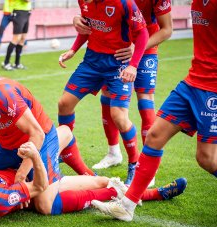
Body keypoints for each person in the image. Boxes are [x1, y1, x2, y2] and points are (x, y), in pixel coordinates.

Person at [91, 0, 217, 222]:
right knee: (155, 136)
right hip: (192, 82)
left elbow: (165, 28)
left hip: (213, 89)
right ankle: (127, 207)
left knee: (206, 159)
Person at [0, 125, 186, 218]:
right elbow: (38, 188)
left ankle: (78, 166)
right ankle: (153, 194)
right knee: (94, 188)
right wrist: (35, 158)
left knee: (64, 135)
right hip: (40, 185)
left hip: (28, 176)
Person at [72, 0, 172, 180]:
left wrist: (137, 47)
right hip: (116, 49)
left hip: (145, 49)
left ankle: (146, 165)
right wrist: (77, 19)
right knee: (108, 96)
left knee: (145, 99)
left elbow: (167, 29)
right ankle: (113, 153)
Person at [57, 0, 149, 185]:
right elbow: (87, 28)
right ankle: (65, 149)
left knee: (119, 116)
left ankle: (134, 163)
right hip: (92, 61)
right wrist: (73, 50)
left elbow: (143, 34)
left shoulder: (124, 3)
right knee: (64, 104)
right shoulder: (84, 1)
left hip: (117, 64)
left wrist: (133, 65)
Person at [0, 77, 94, 186]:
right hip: (10, 145)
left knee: (44, 200)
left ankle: (100, 182)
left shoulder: (2, 94)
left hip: (41, 137)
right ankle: (59, 145)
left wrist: (21, 175)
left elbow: (37, 134)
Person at [1, 0, 31, 70]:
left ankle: (17, 63)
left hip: (26, 13)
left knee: (23, 38)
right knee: (16, 38)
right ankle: (6, 63)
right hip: (18, 12)